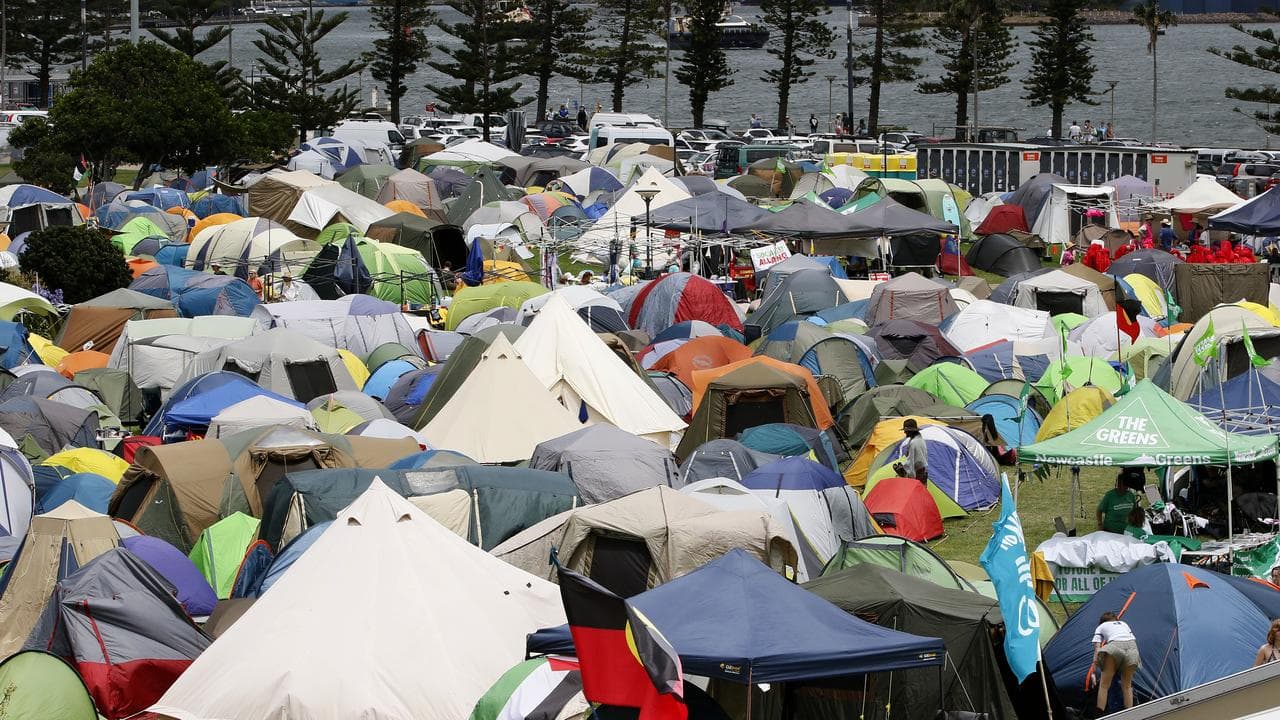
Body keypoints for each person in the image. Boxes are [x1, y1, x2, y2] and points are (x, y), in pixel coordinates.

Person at [1092, 611, 1141, 714]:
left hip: (1114, 646)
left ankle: (1100, 715)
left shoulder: (1101, 626)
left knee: (1104, 685)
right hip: (1133, 648)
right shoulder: (1124, 624)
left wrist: (1094, 668)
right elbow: (1130, 639)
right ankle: (1130, 714)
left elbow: (1097, 648)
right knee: (1127, 686)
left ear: (1102, 621)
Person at [900, 419, 929, 484]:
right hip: (923, 472)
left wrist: (908, 475)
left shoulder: (913, 443)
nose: (905, 432)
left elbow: (911, 462)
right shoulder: (921, 440)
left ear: (910, 431)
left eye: (906, 431)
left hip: (917, 473)